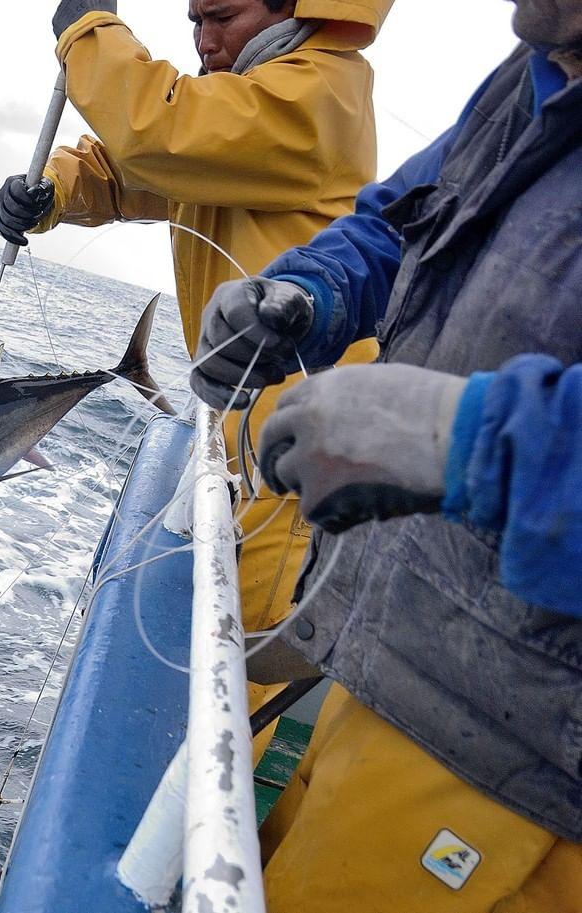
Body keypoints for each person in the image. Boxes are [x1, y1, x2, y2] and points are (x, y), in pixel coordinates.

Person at [192, 1, 582, 908]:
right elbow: (398, 223)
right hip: (383, 655)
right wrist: (305, 294)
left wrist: (470, 444)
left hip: (525, 778)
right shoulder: (528, 78)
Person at [0, 0, 393, 758]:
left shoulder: (318, 92)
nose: (204, 40)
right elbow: (128, 173)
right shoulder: (244, 107)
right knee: (220, 672)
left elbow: (159, 133)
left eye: (222, 17)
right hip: (249, 443)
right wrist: (51, 191)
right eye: (193, 23)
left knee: (235, 713)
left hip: (301, 467)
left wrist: (87, 29)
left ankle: (213, 863)